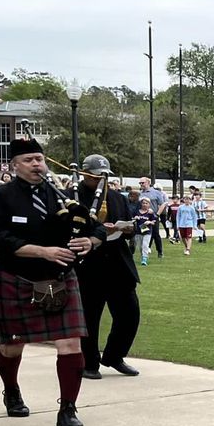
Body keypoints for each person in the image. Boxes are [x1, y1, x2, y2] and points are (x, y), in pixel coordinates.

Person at [0, 137, 104, 426]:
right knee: (12, 346)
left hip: (60, 279)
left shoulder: (62, 196)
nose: (36, 165)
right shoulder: (0, 197)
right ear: (14, 165)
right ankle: (12, 390)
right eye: (28, 160)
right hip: (17, 278)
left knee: (70, 343)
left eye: (39, 159)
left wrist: (89, 242)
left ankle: (68, 408)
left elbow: (98, 227)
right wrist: (42, 251)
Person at [71, 156, 141, 380]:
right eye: (97, 175)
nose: (102, 179)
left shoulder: (116, 197)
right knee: (90, 317)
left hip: (118, 264)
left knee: (129, 314)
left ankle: (114, 356)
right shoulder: (73, 197)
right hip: (89, 265)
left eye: (105, 175)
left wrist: (128, 229)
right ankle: (89, 363)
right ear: (85, 174)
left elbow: (130, 223)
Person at [137, 177, 167, 259]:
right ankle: (145, 252)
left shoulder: (156, 192)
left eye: (142, 183)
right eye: (140, 183)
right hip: (143, 217)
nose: (141, 184)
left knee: (155, 234)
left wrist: (157, 215)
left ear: (148, 183)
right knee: (144, 233)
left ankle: (160, 251)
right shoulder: (140, 194)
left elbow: (162, 204)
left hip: (153, 217)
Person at [133, 198, 156, 266]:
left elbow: (154, 221)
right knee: (140, 246)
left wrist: (149, 222)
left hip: (147, 231)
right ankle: (143, 255)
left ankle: (144, 259)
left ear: (149, 204)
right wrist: (135, 218)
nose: (145, 205)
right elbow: (131, 218)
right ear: (141, 204)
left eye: (146, 203)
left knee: (145, 245)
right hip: (138, 231)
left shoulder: (150, 213)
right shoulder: (136, 211)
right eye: (143, 203)